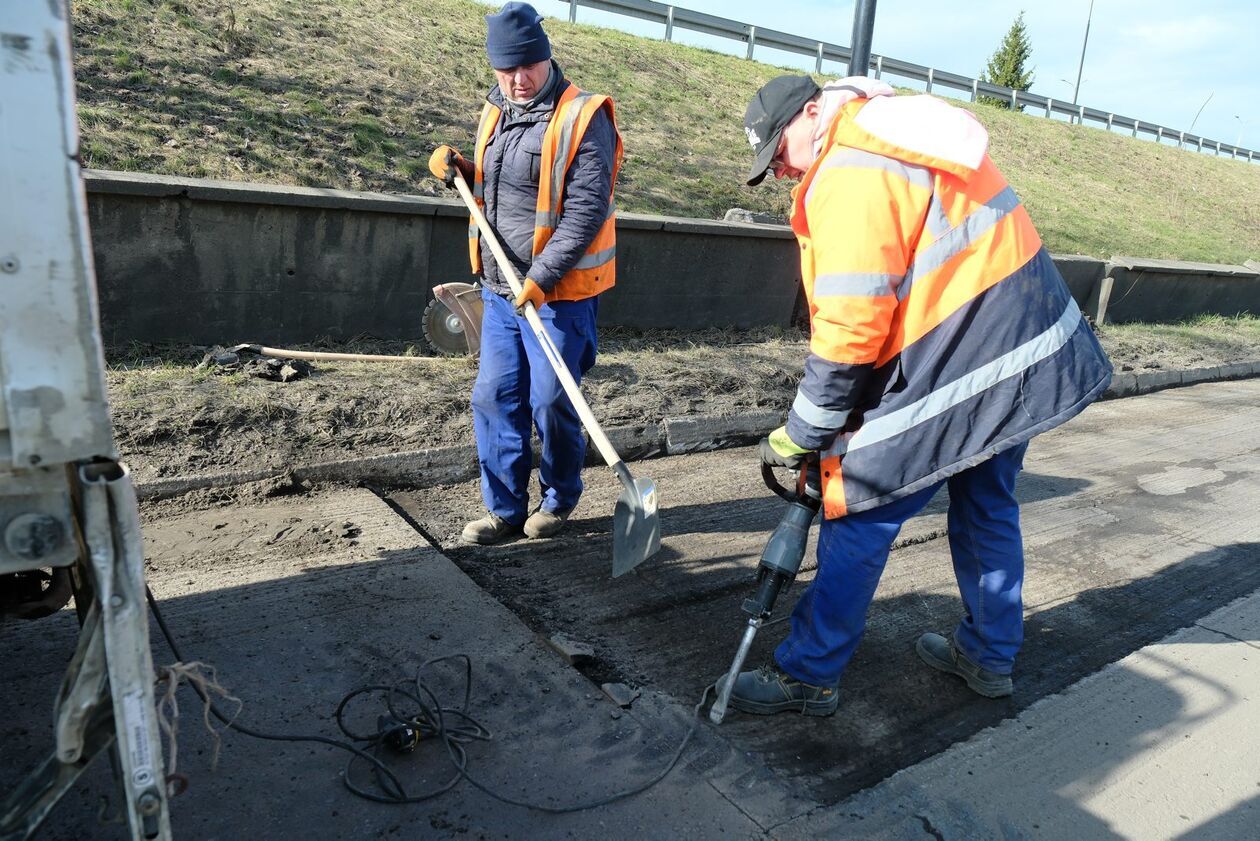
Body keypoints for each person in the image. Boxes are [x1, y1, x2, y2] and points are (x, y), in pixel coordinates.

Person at [724, 75, 1112, 716]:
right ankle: (989, 656)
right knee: (987, 502)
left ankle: (809, 675)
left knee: (862, 507)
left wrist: (807, 430)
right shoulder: (899, 133)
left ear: (813, 112)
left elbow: (853, 325)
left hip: (964, 353)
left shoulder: (851, 168)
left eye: (781, 151)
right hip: (1018, 352)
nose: (784, 171)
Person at [428, 2, 622, 545]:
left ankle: (559, 499)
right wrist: (461, 170)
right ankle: (504, 510)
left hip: (558, 294)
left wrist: (541, 277)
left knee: (552, 401)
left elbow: (585, 211)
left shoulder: (586, 116)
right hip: (499, 291)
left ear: (546, 56)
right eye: (505, 69)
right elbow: (496, 184)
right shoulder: (496, 110)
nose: (517, 79)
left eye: (527, 66)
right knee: (494, 396)